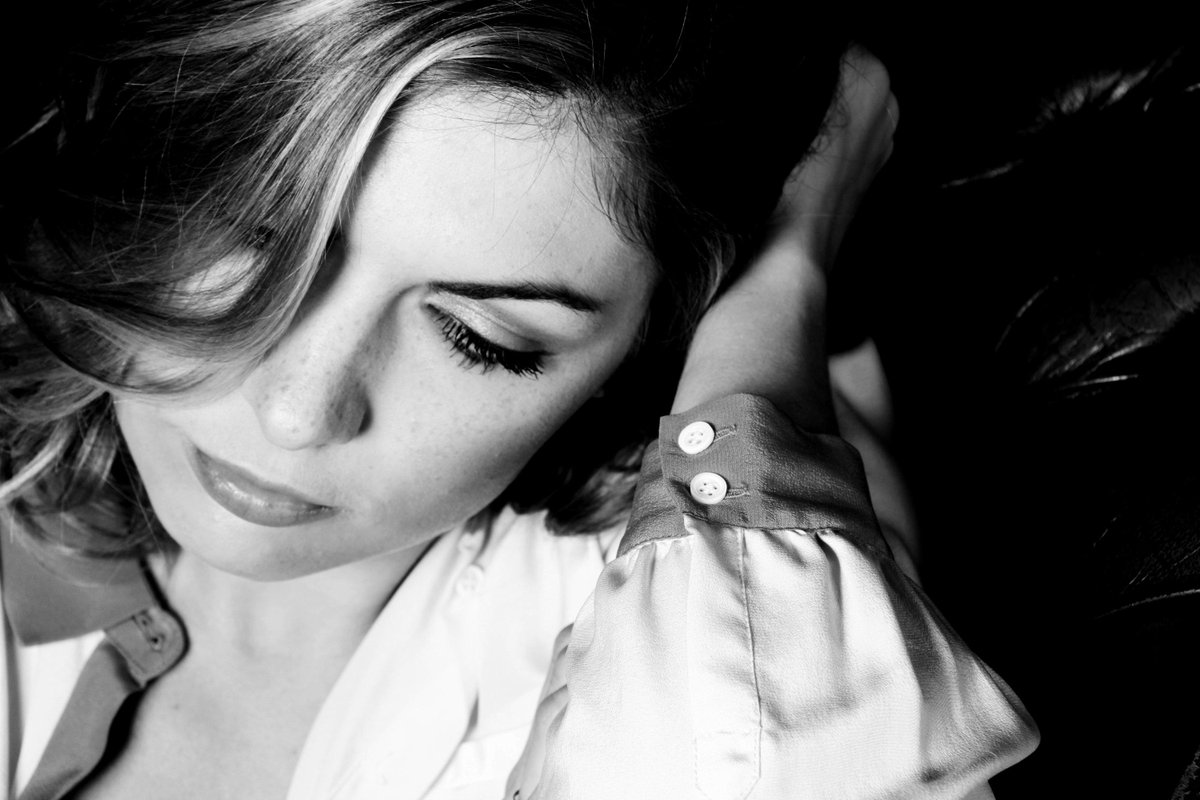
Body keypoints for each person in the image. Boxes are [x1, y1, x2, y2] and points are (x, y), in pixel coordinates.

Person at [0, 1, 1037, 797]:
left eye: (479, 338)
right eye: (245, 248)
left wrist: (783, 274)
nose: (298, 412)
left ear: (642, 350)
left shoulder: (688, 620)